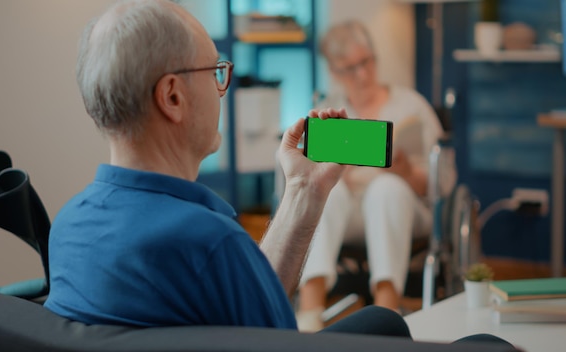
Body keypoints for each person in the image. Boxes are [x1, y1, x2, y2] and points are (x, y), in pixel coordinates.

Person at [43, 1, 514, 349]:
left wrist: (304, 191)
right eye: (216, 72)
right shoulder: (206, 241)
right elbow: (275, 341)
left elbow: (248, 303)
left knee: (381, 324)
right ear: (172, 97)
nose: (221, 89)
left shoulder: (68, 226)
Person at [295, 19, 447, 331]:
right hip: (347, 212)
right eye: (349, 68)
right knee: (328, 190)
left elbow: (442, 186)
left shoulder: (411, 105)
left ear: (374, 58)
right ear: (334, 72)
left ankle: (385, 311)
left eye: (365, 62)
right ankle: (309, 313)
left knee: (385, 187)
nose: (361, 74)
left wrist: (405, 171)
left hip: (406, 206)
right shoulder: (328, 111)